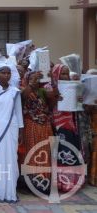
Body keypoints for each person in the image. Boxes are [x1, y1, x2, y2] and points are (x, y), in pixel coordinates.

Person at [0, 65, 23, 203]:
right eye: (3, 73)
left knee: (12, 158)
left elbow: (18, 113)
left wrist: (21, 131)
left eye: (8, 73)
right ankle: (0, 190)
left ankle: (11, 191)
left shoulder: (15, 91)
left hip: (12, 127)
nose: (6, 75)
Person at [46, 64, 83, 192]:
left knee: (72, 152)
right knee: (62, 153)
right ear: (56, 74)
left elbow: (77, 107)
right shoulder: (49, 87)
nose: (65, 76)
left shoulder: (73, 87)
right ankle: (61, 182)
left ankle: (72, 182)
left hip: (71, 124)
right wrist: (56, 97)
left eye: (67, 74)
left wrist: (79, 100)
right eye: (62, 73)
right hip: (57, 125)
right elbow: (49, 106)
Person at [19, 71, 55, 193]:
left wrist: (52, 82)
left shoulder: (44, 91)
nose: (36, 81)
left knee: (44, 154)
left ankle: (43, 183)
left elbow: (51, 106)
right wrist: (31, 83)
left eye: (38, 78)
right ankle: (30, 184)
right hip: (31, 125)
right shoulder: (23, 90)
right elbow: (23, 97)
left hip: (45, 126)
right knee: (32, 155)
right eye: (33, 78)